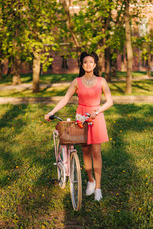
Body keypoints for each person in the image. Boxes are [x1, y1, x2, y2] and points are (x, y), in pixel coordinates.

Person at [44, 51, 113, 201]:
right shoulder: (77, 81)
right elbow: (65, 99)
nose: (88, 64)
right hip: (82, 117)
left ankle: (98, 188)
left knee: (96, 153)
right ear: (82, 65)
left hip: (97, 117)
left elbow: (110, 101)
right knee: (86, 152)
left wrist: (98, 111)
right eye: (85, 62)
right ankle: (90, 180)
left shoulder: (102, 81)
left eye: (91, 62)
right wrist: (51, 112)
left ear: (95, 64)